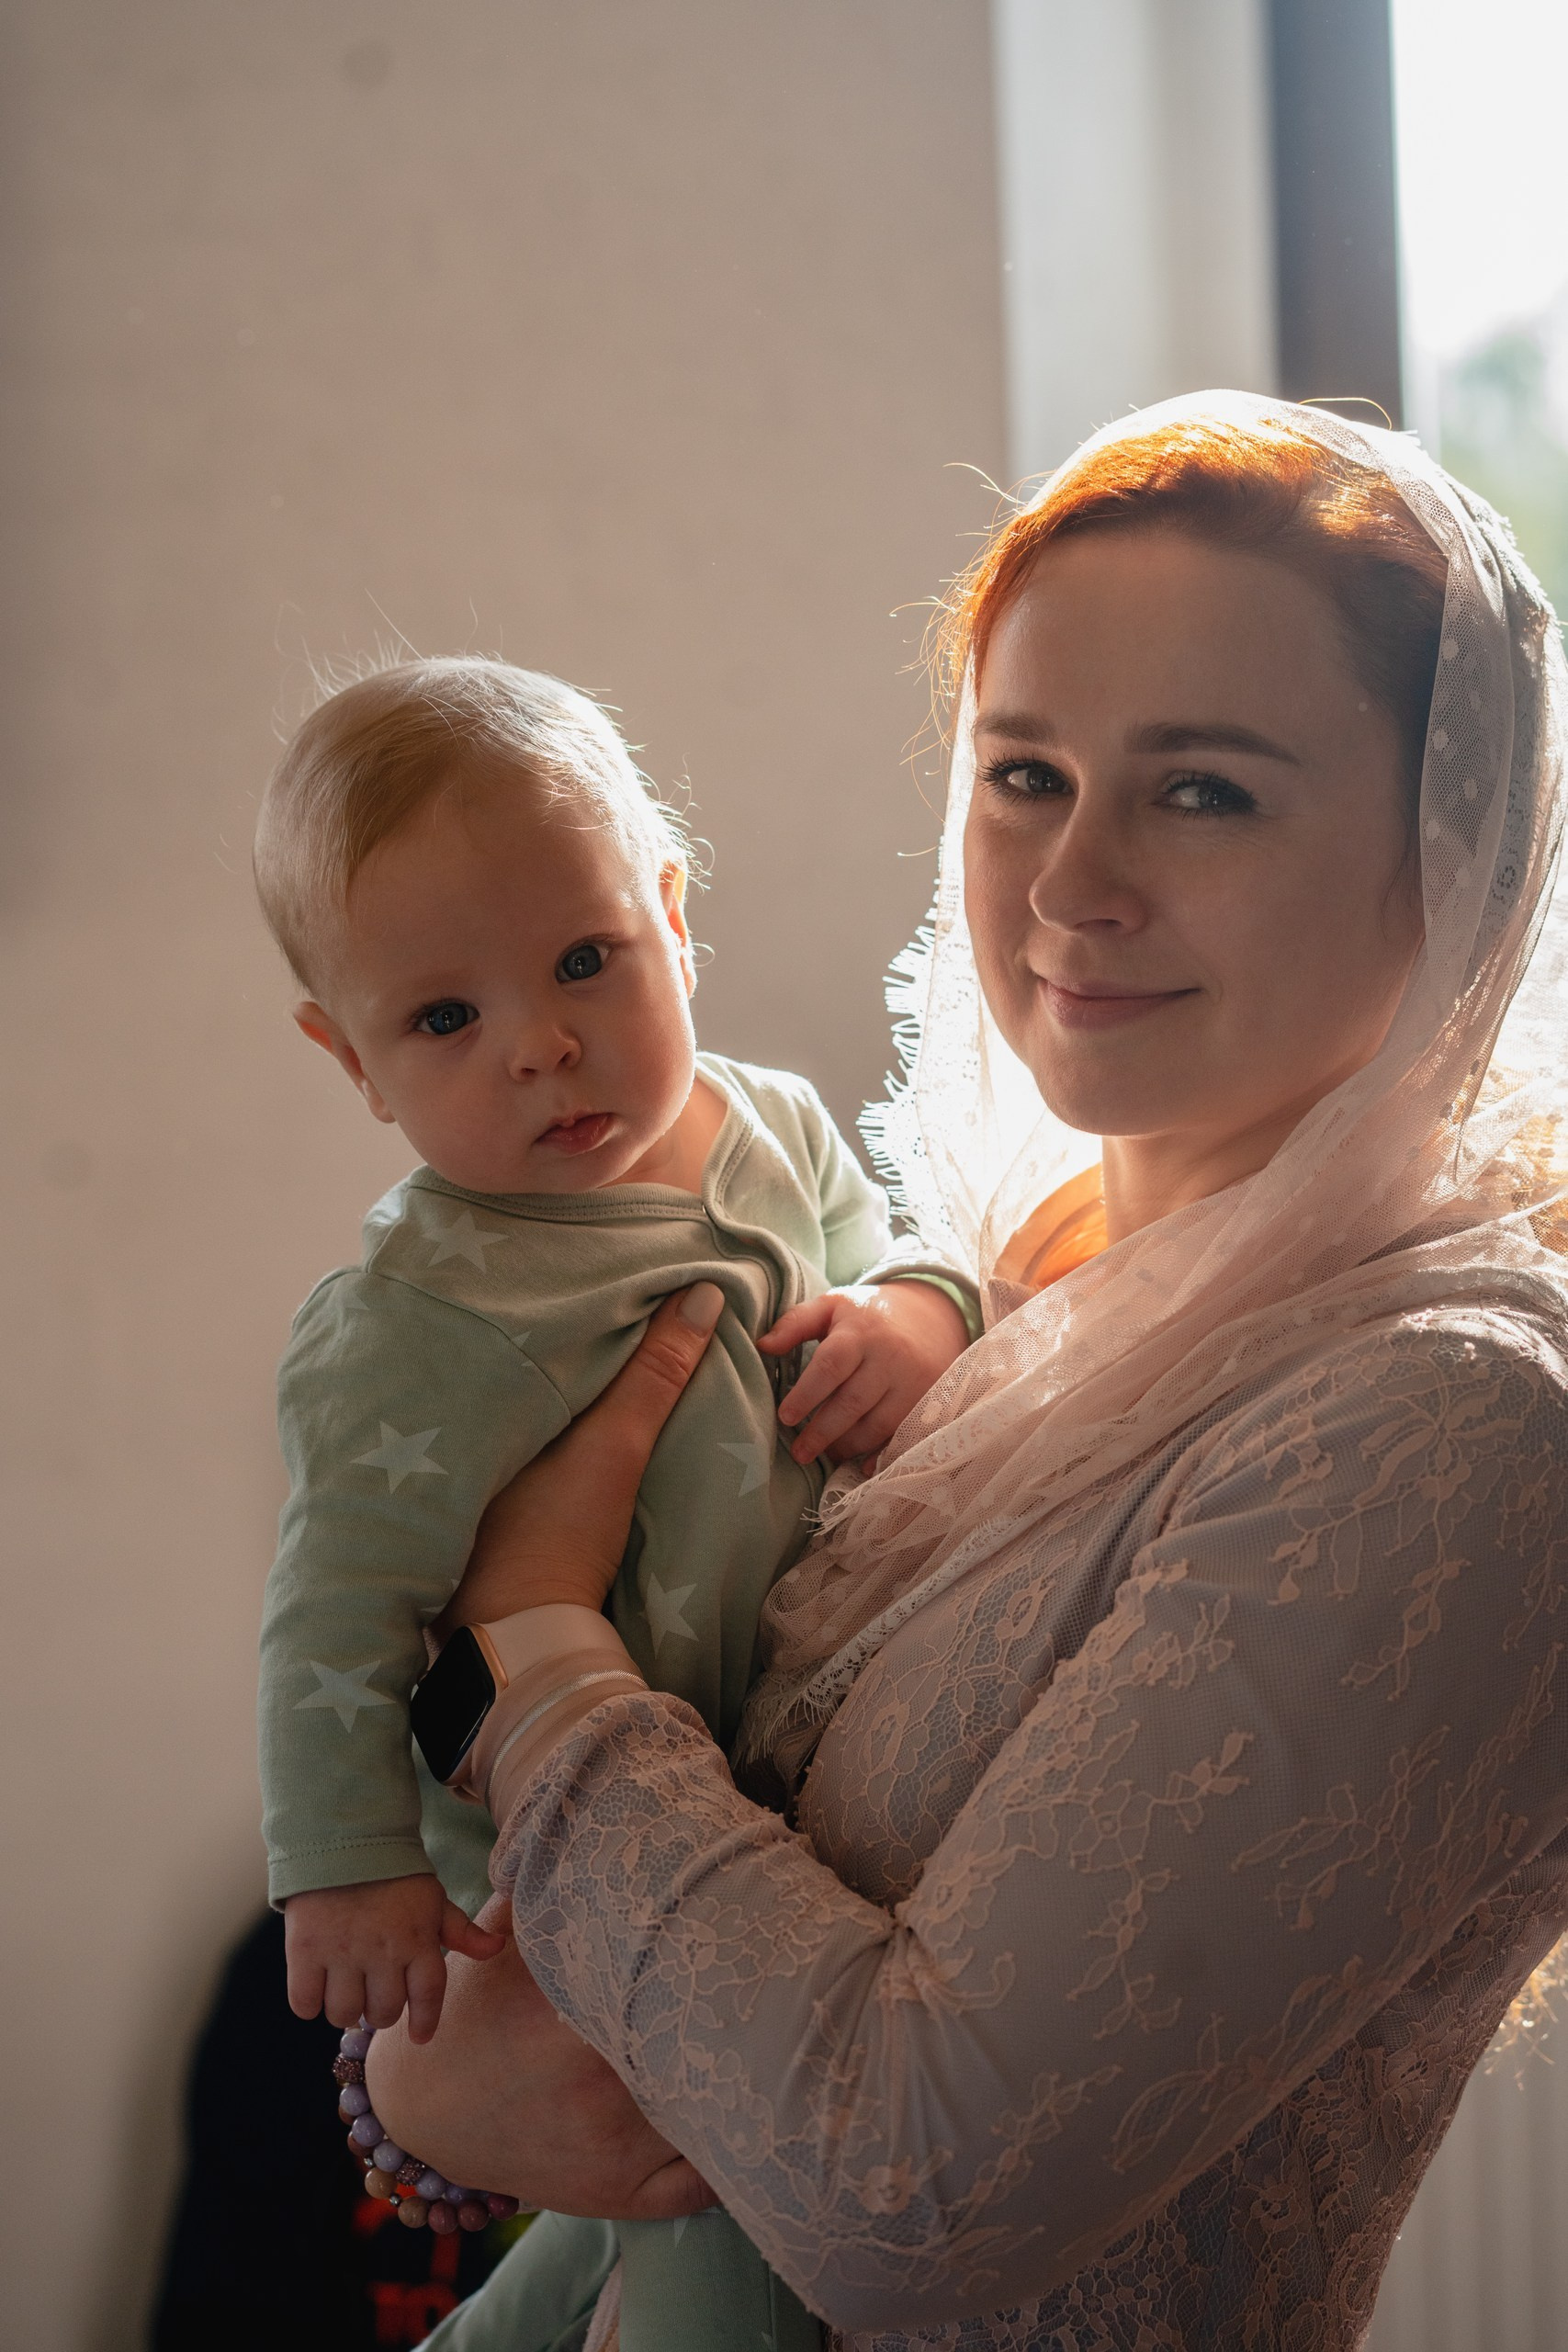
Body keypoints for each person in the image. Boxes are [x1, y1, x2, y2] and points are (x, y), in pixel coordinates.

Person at [365, 393, 1568, 2352]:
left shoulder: (1455, 1421)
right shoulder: (962, 1281)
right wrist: (415, 2096)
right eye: (1025, 773)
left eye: (1204, 790)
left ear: (1447, 851)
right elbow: (580, 2005)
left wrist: (530, 1655)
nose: (1072, 881)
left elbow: (901, 2191)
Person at [249, 661, 976, 2351]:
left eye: (585, 960)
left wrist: (919, 1315)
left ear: (674, 919)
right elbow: (331, 1615)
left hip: (762, 1803)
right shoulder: (414, 1316)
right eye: (446, 1020)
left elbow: (889, 1274)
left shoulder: (772, 1126)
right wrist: (342, 1868)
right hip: (552, 1861)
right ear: (350, 1060)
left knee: (639, 2216)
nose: (541, 1046)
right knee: (704, 2211)